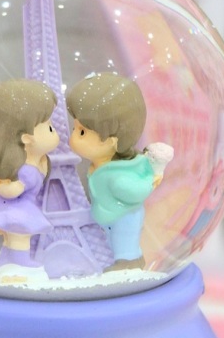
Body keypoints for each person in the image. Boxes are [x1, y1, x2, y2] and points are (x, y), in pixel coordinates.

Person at [0, 79, 59, 284]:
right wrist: (4, 185)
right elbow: (12, 190)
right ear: (26, 138)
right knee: (19, 237)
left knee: (13, 238)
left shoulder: (35, 163)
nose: (55, 132)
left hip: (20, 209)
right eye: (50, 127)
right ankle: (19, 264)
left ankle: (10, 263)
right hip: (18, 210)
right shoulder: (25, 170)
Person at [66, 73, 165, 272]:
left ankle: (128, 263)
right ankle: (125, 260)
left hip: (124, 218)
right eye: (75, 128)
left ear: (111, 142)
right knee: (112, 242)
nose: (73, 137)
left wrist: (152, 179)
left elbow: (135, 192)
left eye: (82, 132)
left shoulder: (117, 178)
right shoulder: (103, 168)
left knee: (123, 243)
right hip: (111, 217)